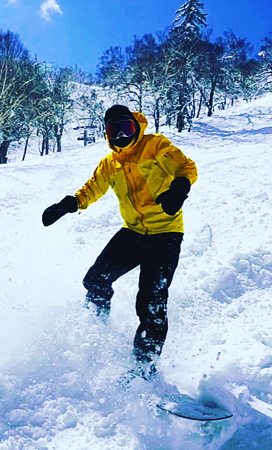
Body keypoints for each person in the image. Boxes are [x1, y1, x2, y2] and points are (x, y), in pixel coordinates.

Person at [42, 104, 198, 380]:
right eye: (115, 131)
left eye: (127, 127)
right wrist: (69, 205)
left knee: (151, 302)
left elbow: (185, 166)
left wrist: (179, 188)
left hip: (165, 234)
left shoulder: (155, 145)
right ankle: (97, 330)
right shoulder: (109, 163)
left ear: (136, 126)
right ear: (108, 135)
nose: (123, 136)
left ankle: (143, 367)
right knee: (95, 280)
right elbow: (93, 188)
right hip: (133, 232)